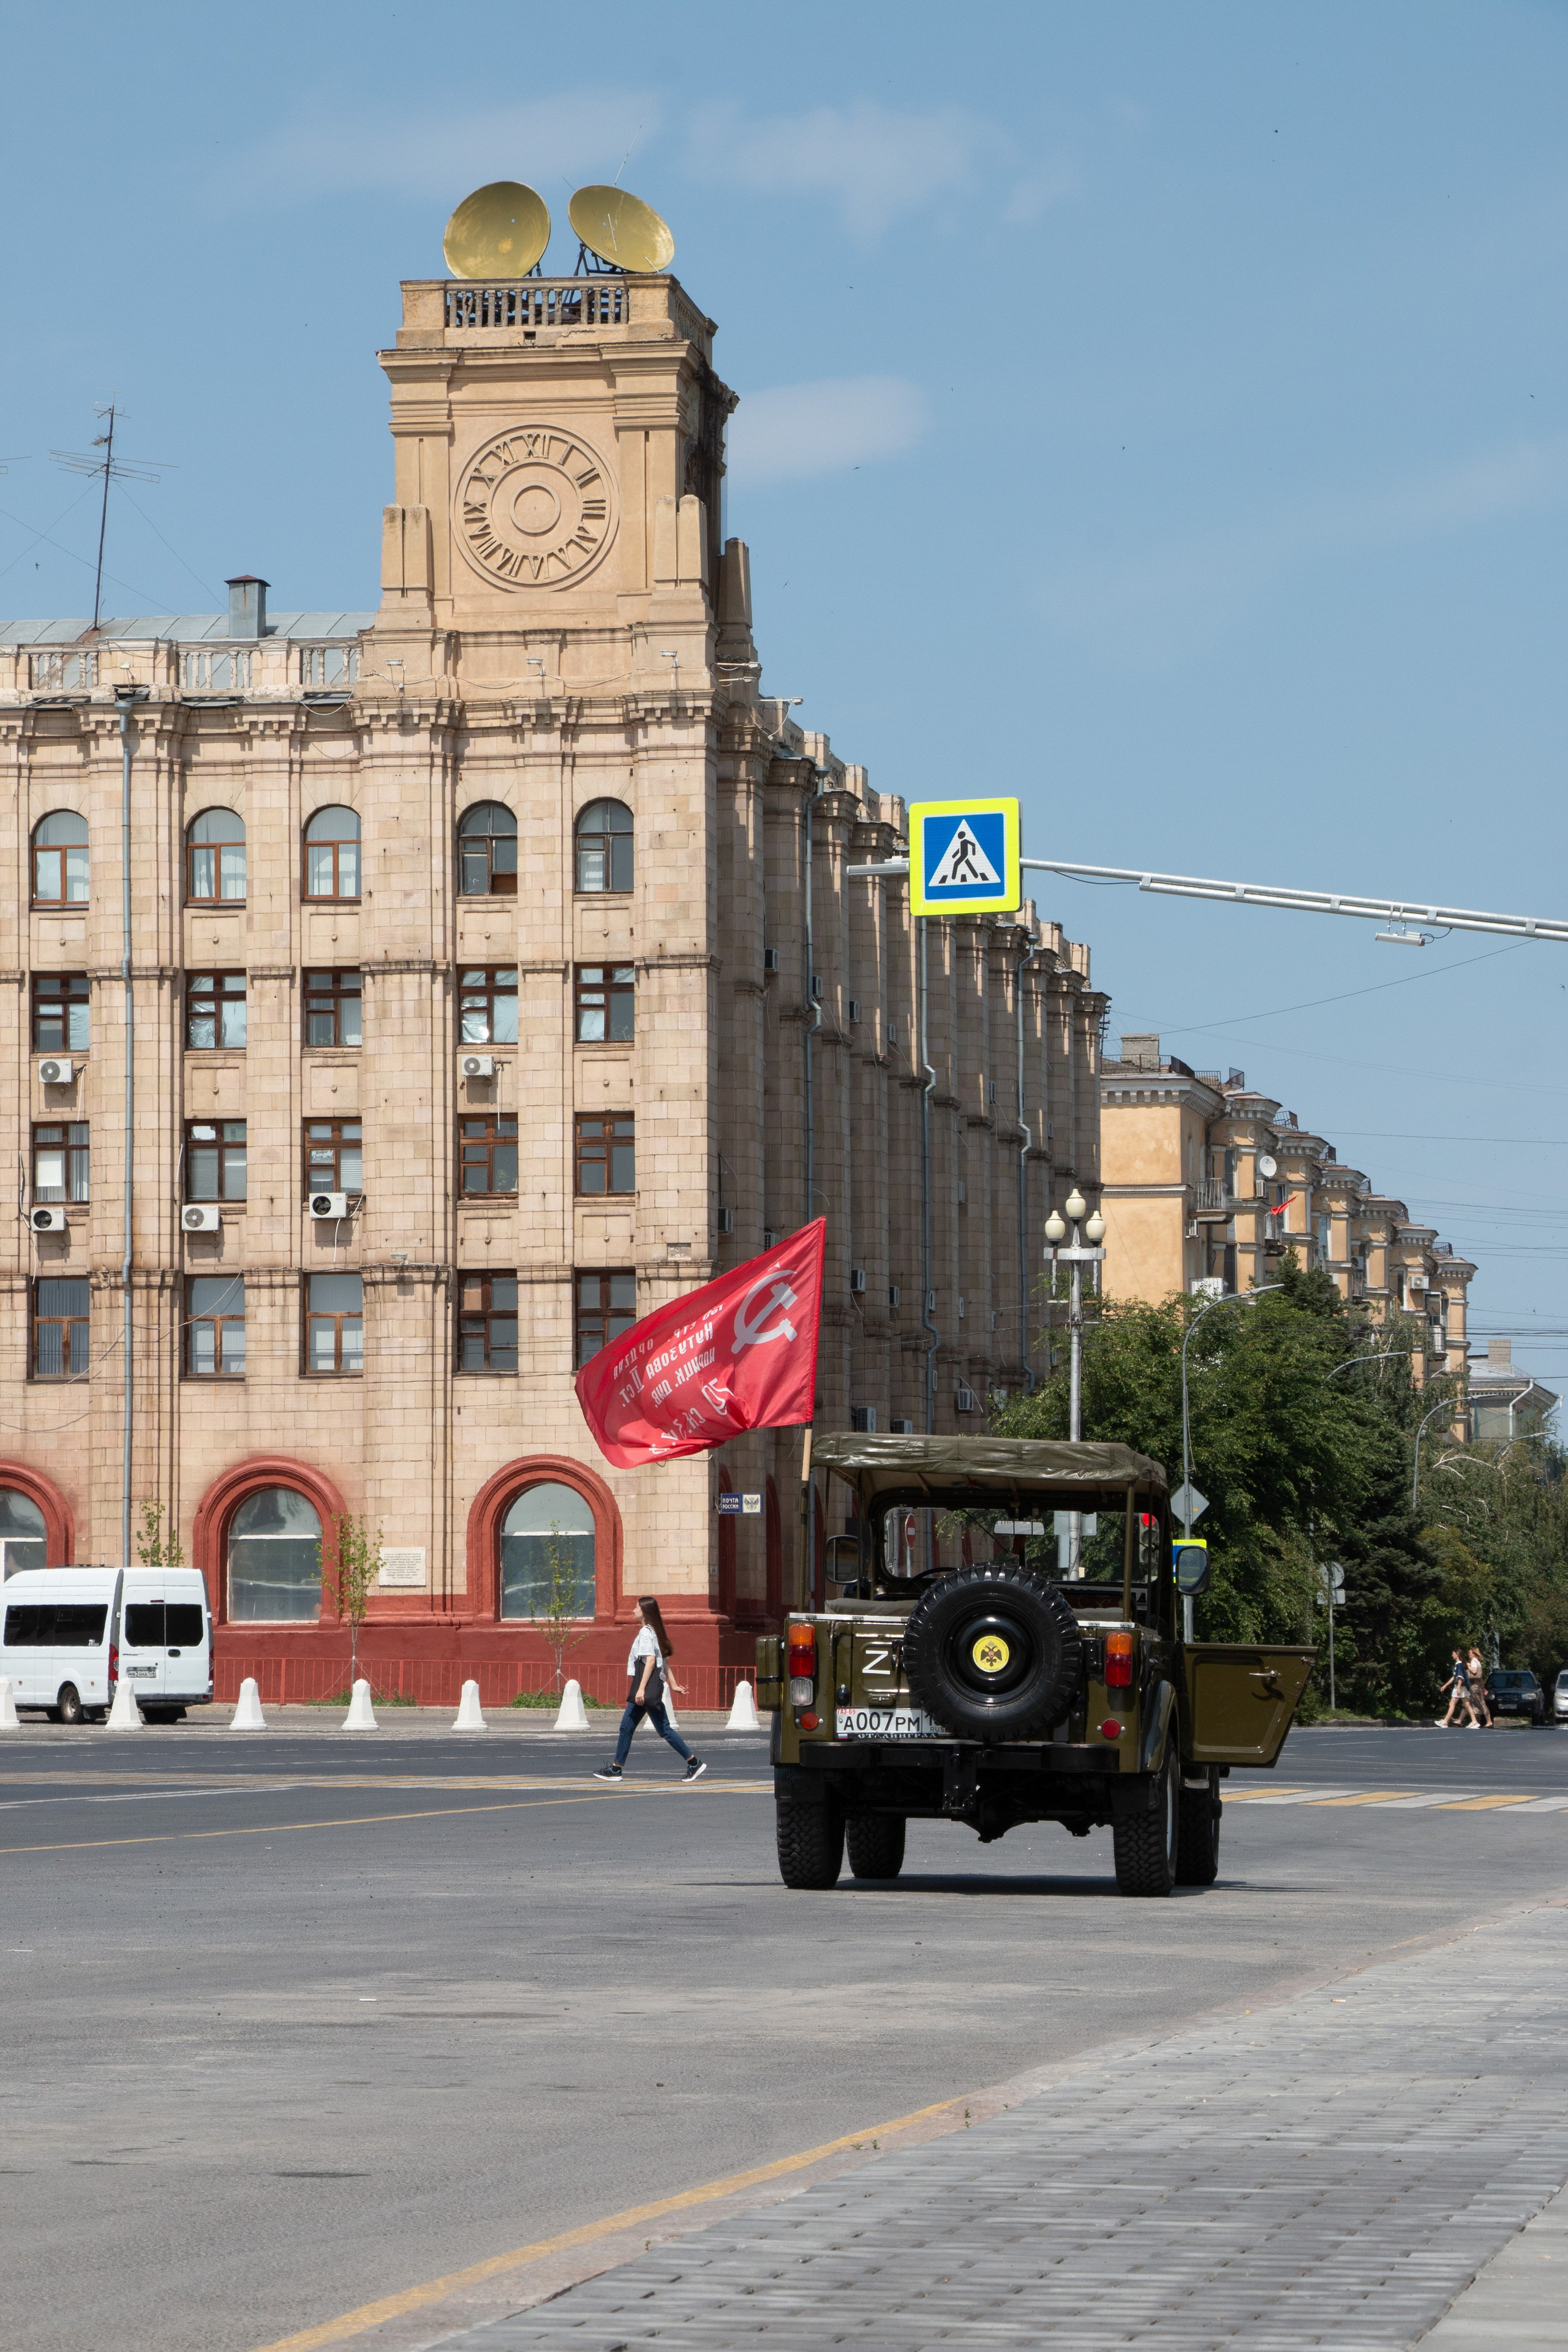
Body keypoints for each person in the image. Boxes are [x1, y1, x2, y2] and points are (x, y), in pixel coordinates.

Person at [594, 1597, 706, 1782]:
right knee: (626, 1727)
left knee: (664, 1730)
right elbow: (665, 1661)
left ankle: (694, 1763)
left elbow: (652, 1661)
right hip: (646, 1687)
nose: (633, 1610)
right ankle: (616, 1769)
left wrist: (641, 1690)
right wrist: (674, 1684)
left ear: (645, 1611)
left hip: (644, 1689)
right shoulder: (654, 1632)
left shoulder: (646, 1633)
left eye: (636, 1607)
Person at [1437, 1649, 1476, 1728]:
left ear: (1457, 1655)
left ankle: (1445, 1722)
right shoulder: (1459, 1664)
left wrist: (1458, 1688)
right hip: (1461, 1687)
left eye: (1453, 1654)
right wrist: (1446, 1685)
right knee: (1467, 1704)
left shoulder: (1459, 1665)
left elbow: (1460, 1677)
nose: (1452, 1655)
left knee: (1453, 1704)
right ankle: (1475, 1721)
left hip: (1460, 1687)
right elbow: (1454, 1677)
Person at [1467, 1648, 1493, 1728]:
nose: (1469, 1654)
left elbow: (1474, 1672)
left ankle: (1486, 1721)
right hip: (1478, 1685)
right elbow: (1480, 1678)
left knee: (1476, 1703)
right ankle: (1474, 1721)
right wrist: (1483, 1688)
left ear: (1474, 1654)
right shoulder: (1478, 1662)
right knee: (1472, 1703)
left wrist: (1468, 1666)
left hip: (1474, 1685)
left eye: (1470, 1653)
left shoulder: (1474, 1662)